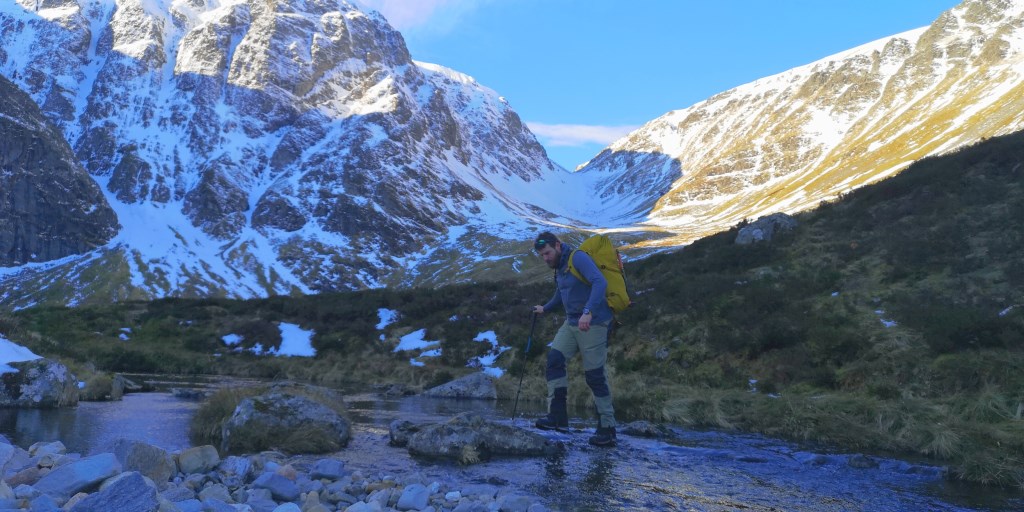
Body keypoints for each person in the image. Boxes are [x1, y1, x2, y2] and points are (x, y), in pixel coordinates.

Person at [531, 232, 618, 447]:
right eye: (542, 256)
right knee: (554, 360)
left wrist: (588, 312)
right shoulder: (560, 267)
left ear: (558, 246)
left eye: (547, 253)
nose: (545, 258)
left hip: (595, 322)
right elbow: (561, 292)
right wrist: (545, 308)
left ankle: (607, 428)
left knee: (594, 375)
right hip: (571, 323)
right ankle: (558, 418)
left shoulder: (577, 258)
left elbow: (599, 282)